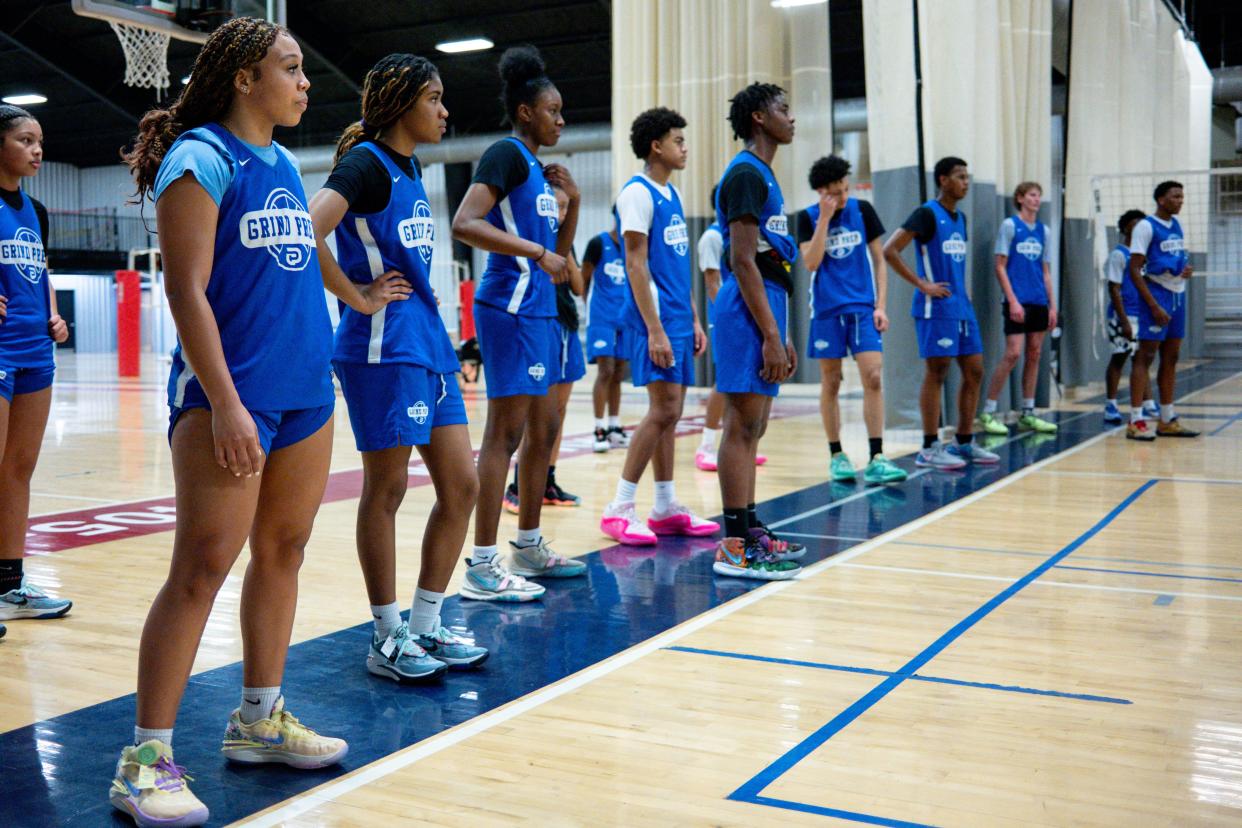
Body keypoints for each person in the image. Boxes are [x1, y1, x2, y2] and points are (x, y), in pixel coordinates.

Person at [111, 18, 347, 826]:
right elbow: (186, 292)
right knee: (201, 569)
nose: (304, 82)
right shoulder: (202, 157)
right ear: (244, 78)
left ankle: (258, 718)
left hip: (307, 393)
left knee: (283, 552)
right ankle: (143, 762)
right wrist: (226, 404)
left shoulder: (283, 161)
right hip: (232, 398)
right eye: (290, 68)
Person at [310, 53, 487, 684]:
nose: (445, 110)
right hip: (382, 347)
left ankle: (428, 623)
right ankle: (386, 637)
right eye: (434, 98)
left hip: (426, 343)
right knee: (385, 490)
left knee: (461, 486)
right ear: (401, 103)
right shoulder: (367, 165)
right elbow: (308, 228)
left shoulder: (410, 167)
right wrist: (356, 295)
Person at [450, 44, 587, 599]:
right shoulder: (505, 154)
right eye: (553, 110)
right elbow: (465, 221)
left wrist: (571, 202)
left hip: (541, 310)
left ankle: (527, 546)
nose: (561, 119)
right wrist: (535, 251)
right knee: (503, 435)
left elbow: (559, 254)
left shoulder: (537, 169)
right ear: (526, 111)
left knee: (544, 433)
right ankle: (483, 564)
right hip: (507, 306)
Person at [599, 107, 718, 546]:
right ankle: (619, 507)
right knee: (663, 411)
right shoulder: (636, 193)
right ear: (656, 146)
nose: (685, 148)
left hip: (677, 318)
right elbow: (635, 264)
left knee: (671, 415)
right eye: (678, 141)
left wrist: (692, 317)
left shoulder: (675, 194)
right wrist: (656, 329)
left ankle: (665, 506)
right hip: (654, 321)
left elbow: (676, 265)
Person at [710, 83, 806, 580]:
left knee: (754, 427)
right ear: (757, 118)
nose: (792, 118)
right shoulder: (746, 172)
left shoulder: (763, 174)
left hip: (766, 306)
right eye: (783, 110)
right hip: (746, 311)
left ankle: (749, 529)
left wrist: (780, 331)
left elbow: (767, 263)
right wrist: (769, 332)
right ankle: (732, 543)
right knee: (740, 426)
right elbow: (741, 260)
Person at [0, 104, 73, 641]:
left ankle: (9, 584)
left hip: (34, 352)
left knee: (18, 470)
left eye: (40, 140)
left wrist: (52, 311)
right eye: (26, 140)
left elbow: (39, 268)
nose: (37, 150)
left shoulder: (37, 209)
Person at [882, 156, 999, 469]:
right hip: (936, 308)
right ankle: (929, 446)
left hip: (961, 307)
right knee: (938, 372)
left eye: (967, 176)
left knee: (975, 370)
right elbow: (889, 250)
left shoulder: (960, 219)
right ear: (943, 180)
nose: (966, 182)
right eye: (959, 176)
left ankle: (963, 441)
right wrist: (923, 284)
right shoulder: (926, 214)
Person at [796, 154, 906, 485]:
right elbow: (811, 263)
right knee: (831, 382)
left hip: (862, 307)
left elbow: (880, 261)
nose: (843, 197)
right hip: (827, 311)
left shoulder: (863, 211)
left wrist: (881, 306)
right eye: (835, 192)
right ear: (820, 192)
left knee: (873, 376)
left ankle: (877, 457)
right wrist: (825, 221)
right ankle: (837, 455)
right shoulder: (807, 218)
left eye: (845, 189)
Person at [503, 183, 584, 511]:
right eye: (556, 207)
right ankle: (518, 486)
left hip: (567, 326)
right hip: (540, 326)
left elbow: (577, 286)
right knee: (538, 413)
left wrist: (564, 256)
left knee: (558, 414)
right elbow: (546, 279)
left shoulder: (564, 242)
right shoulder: (531, 241)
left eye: (565, 208)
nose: (561, 214)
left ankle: (547, 482)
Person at [694, 188, 767, 472]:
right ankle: (706, 446)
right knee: (724, 384)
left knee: (742, 384)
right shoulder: (712, 238)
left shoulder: (741, 234)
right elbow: (713, 283)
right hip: (727, 319)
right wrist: (730, 317)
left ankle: (741, 445)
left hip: (746, 318)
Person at [977, 182, 1058, 436]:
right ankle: (988, 411)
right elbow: (1000, 266)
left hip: (1038, 301)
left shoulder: (1044, 231)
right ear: (1021, 198)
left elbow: (1045, 271)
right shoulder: (1010, 226)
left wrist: (1052, 306)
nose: (1037, 200)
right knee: (1013, 354)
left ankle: (1028, 412)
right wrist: (1012, 300)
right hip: (1017, 300)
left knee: (1034, 354)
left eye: (1039, 196)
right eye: (1032, 195)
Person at [1126, 180, 1198, 440]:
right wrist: (1153, 305)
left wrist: (1185, 270)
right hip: (1155, 295)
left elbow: (1174, 259)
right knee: (1145, 356)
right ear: (1161, 199)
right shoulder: (1145, 226)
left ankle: (1167, 418)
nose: (1180, 200)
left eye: (1182, 196)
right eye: (1175, 196)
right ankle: (1136, 420)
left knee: (1172, 357)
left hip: (1177, 295)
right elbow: (1134, 269)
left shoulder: (1176, 225)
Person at [581, 207, 631, 452]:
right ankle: (598, 428)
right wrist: (589, 306)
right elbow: (584, 279)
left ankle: (614, 426)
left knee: (619, 372)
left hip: (625, 317)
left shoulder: (634, 244)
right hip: (602, 317)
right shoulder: (597, 243)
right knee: (606, 370)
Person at [1103, 209, 1156, 424]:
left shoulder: (1142, 257)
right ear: (1126, 228)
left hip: (1140, 315)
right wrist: (1123, 320)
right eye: (1134, 225)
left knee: (1141, 360)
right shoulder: (1119, 254)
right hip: (1121, 316)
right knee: (1120, 358)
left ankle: (1148, 404)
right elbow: (1114, 289)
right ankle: (1111, 404)